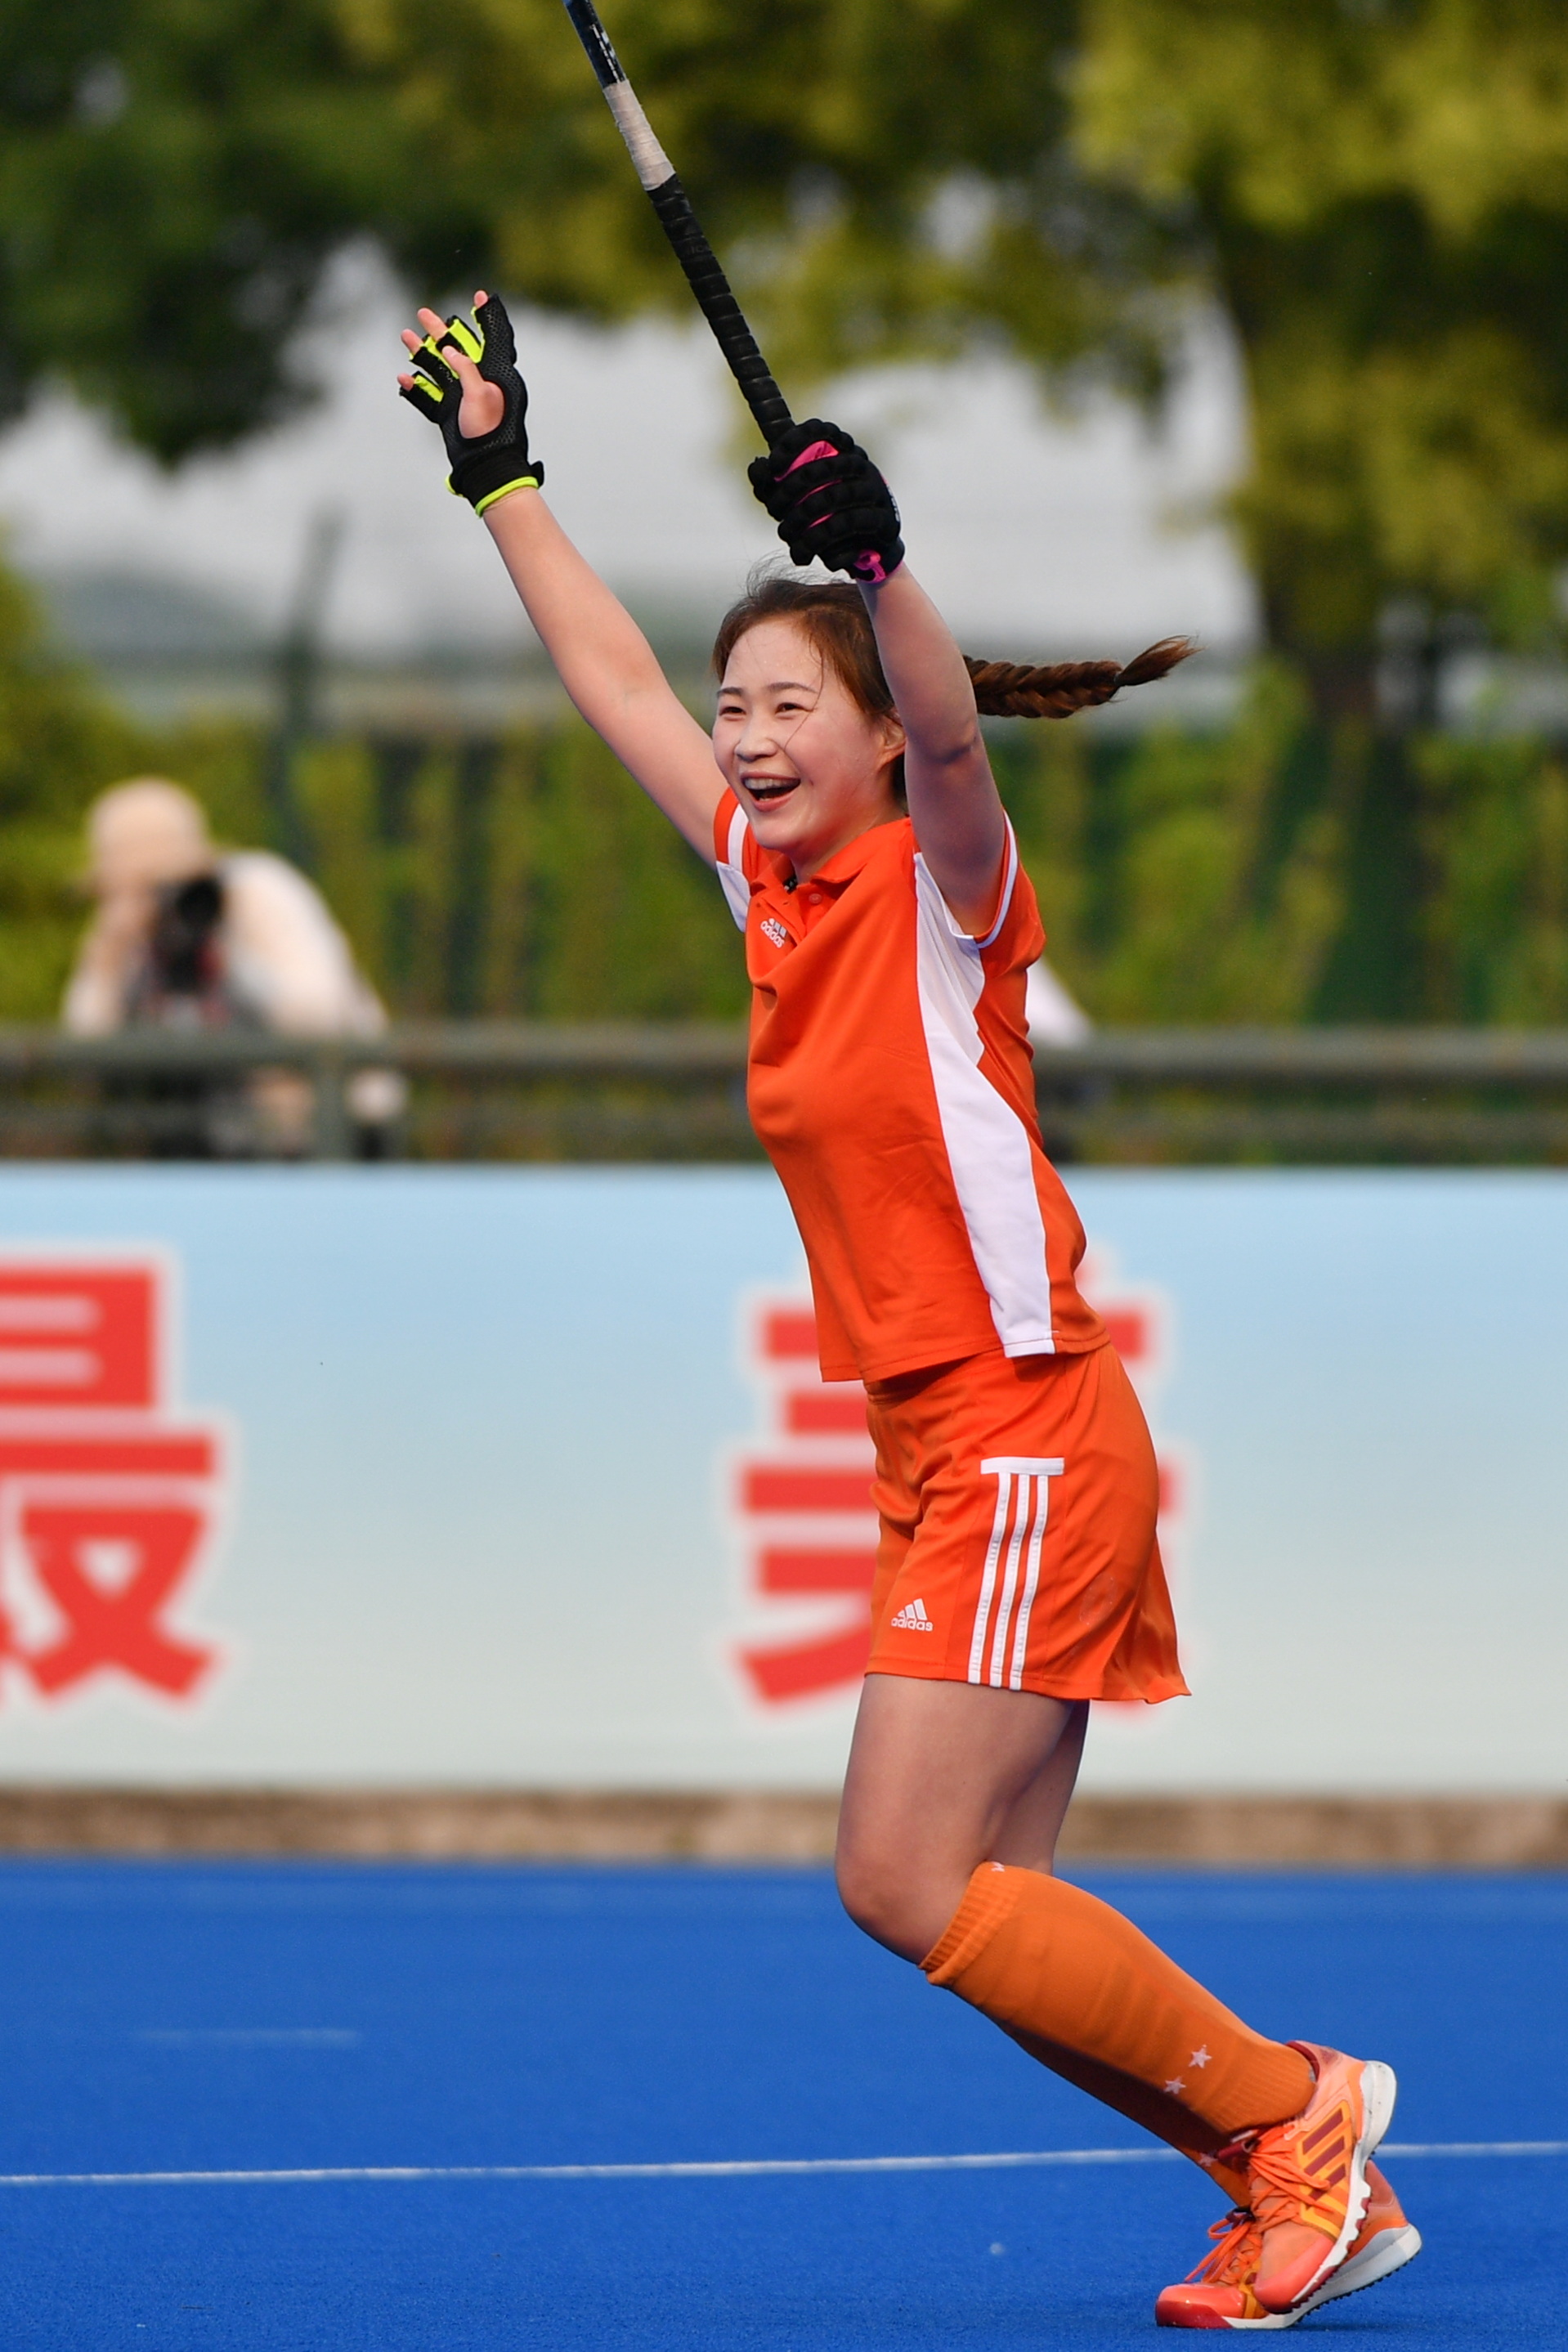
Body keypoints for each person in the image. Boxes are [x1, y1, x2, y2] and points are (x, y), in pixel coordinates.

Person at [397, 291, 1421, 2329]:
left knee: (898, 1879)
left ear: (872, 736)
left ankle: (1300, 2111)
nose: (745, 737)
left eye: (789, 705)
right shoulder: (766, 893)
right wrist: (504, 475)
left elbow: (955, 730)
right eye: (737, 707)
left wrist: (881, 561)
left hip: (1025, 1417)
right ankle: (1291, 2178)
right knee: (980, 1911)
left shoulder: (952, 889)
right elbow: (609, 677)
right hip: (936, 1440)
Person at [64, 778, 403, 1154]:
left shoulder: (258, 891)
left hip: (325, 1141)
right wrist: (106, 961)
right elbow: (83, 1061)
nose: (157, 900)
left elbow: (320, 1016)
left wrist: (225, 955)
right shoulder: (122, 934)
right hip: (203, 1147)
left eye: (162, 884)